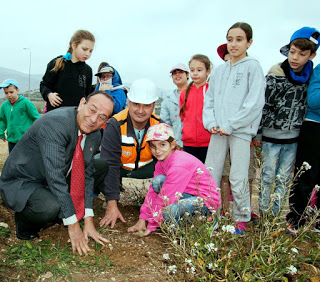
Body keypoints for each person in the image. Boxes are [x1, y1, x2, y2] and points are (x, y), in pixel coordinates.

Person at [0, 91, 114, 255]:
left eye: (102, 117)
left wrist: (88, 219)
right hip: (24, 180)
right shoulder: (56, 124)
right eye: (92, 110)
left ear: (106, 121)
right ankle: (24, 224)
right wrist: (73, 224)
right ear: (82, 103)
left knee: (101, 166)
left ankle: (61, 211)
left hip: (53, 174)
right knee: (50, 206)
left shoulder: (94, 134)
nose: (94, 119)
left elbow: (87, 174)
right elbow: (56, 178)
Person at [203, 22, 265, 235]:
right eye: (230, 39)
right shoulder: (219, 71)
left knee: (238, 176)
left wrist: (231, 124)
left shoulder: (253, 67)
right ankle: (212, 212)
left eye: (239, 39)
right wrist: (211, 123)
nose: (233, 44)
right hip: (218, 130)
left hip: (239, 130)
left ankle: (241, 218)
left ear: (249, 42)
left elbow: (254, 102)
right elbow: (208, 100)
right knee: (211, 171)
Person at [256, 27, 319, 216]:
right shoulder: (275, 74)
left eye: (302, 54)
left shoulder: (310, 77)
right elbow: (263, 105)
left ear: (311, 55)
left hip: (293, 139)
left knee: (283, 178)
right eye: (292, 52)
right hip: (270, 137)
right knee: (267, 176)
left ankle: (275, 217)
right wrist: (258, 133)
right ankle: (264, 214)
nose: (295, 57)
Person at [128, 123, 221, 236]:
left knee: (168, 212)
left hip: (205, 202)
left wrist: (152, 225)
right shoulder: (161, 162)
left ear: (172, 144)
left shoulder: (179, 164)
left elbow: (166, 196)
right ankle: (181, 224)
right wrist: (143, 218)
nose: (157, 150)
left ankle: (196, 225)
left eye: (162, 145)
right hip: (188, 194)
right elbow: (153, 191)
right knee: (157, 182)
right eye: (153, 146)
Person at [99, 78, 162, 228]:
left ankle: (160, 206)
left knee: (167, 172)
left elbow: (165, 164)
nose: (140, 110)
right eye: (136, 104)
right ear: (128, 103)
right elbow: (111, 163)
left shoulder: (159, 126)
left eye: (146, 105)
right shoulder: (115, 124)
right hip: (121, 168)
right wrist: (112, 205)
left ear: (153, 106)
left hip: (146, 169)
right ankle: (110, 195)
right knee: (98, 164)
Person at [217, 44, 259, 222]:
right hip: (222, 135)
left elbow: (257, 106)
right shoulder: (220, 79)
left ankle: (243, 212)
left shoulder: (252, 75)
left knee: (245, 176)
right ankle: (224, 210)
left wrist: (258, 134)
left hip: (244, 136)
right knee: (225, 175)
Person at [286, 63, 320, 234]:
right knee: (305, 174)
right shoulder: (319, 70)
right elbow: (313, 100)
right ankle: (296, 219)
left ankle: (317, 222)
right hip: (314, 127)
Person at [40, 30, 95, 112]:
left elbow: (87, 95)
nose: (87, 54)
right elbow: (44, 85)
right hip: (55, 114)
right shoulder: (57, 63)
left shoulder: (88, 70)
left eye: (90, 51)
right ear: (74, 45)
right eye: (84, 49)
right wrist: (49, 95)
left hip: (76, 116)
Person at [179, 54, 212, 163]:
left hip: (208, 142)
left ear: (208, 71)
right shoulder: (184, 93)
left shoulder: (211, 91)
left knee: (206, 173)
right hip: (188, 143)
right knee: (190, 173)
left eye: (199, 70)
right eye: (192, 70)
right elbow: (183, 116)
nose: (195, 73)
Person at [0, 79, 39, 153]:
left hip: (25, 139)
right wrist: (1, 133)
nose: (9, 95)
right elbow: (2, 120)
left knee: (26, 161)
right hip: (11, 140)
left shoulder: (26, 103)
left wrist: (36, 133)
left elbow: (36, 118)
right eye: (6, 93)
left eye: (11, 92)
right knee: (13, 161)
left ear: (17, 90)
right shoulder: (4, 106)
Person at [160, 63, 189, 146]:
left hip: (193, 143)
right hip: (176, 144)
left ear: (187, 75)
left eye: (180, 72)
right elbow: (165, 124)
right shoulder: (167, 100)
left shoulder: (195, 94)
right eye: (174, 73)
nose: (177, 75)